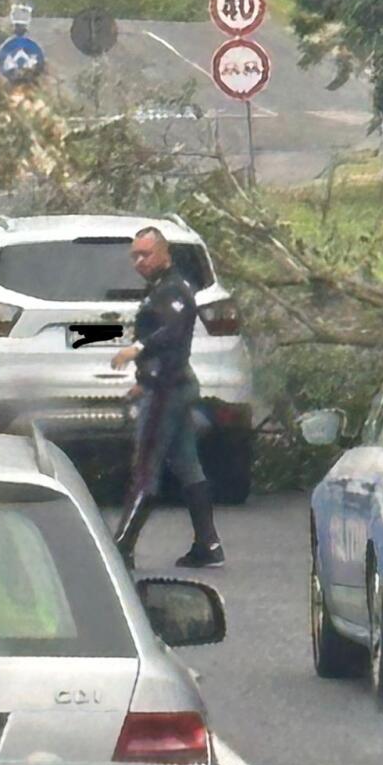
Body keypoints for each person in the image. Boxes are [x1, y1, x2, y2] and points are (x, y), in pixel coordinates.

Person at [110, 226, 225, 569]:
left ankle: (121, 547)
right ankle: (208, 543)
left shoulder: (175, 289)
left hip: (167, 390)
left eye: (145, 254)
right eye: (135, 256)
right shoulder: (158, 288)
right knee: (187, 463)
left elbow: (173, 332)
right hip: (164, 384)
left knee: (146, 467)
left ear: (164, 253)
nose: (139, 262)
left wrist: (137, 349)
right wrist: (141, 381)